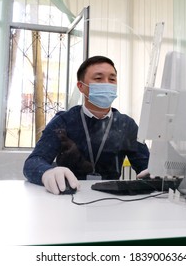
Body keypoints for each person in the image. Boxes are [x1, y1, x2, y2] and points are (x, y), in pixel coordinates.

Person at [23, 55, 150, 194]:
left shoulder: (126, 125)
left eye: (112, 79)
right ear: (81, 87)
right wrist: (47, 173)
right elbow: (33, 162)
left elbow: (146, 166)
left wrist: (156, 173)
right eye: (98, 78)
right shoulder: (64, 121)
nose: (107, 83)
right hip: (70, 196)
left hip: (112, 198)